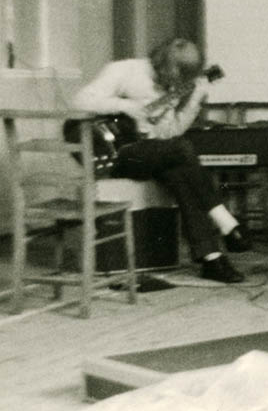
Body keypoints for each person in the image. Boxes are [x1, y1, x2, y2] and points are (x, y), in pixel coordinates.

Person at [73, 38, 250, 283]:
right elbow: (80, 100)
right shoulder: (125, 70)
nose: (171, 84)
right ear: (163, 63)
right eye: (172, 76)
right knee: (183, 153)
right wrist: (125, 105)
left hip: (147, 154)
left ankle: (212, 257)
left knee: (181, 172)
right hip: (110, 153)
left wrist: (195, 98)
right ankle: (226, 223)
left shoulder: (174, 88)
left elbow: (170, 135)